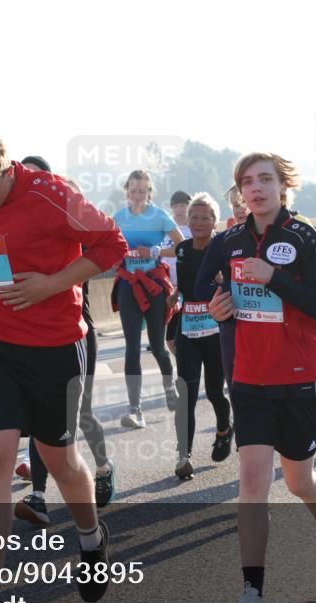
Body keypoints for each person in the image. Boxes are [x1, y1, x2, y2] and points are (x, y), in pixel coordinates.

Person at [0, 131, 126, 603]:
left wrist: (53, 283)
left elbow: (112, 245)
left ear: (6, 172)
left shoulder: (51, 194)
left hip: (54, 348)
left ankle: (90, 538)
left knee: (60, 461)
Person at [196, 152, 316, 603]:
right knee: (252, 485)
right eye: (248, 181)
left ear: (283, 187)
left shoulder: (302, 236)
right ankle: (252, 596)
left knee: (300, 480)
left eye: (265, 179)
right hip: (250, 379)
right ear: (240, 191)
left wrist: (275, 278)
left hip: (302, 377)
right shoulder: (229, 242)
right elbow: (208, 292)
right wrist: (219, 308)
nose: (257, 188)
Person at [13, 156, 116, 523]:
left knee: (82, 414)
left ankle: (102, 467)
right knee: (41, 417)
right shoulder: (22, 230)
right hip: (32, 337)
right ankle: (38, 496)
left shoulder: (76, 233)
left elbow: (108, 248)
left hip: (76, 334)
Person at [111, 170, 183, 429]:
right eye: (133, 191)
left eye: (142, 191)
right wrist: (116, 256)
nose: (138, 195)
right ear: (126, 192)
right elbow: (107, 246)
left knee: (157, 346)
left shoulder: (159, 216)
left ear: (149, 192)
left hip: (153, 286)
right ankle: (135, 409)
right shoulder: (118, 218)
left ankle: (170, 387)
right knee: (131, 347)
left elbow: (182, 246)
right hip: (128, 285)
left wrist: (155, 251)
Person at [168, 192, 232, 479]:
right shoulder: (182, 249)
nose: (198, 222)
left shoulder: (222, 250)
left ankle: (224, 429)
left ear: (215, 222)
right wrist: (176, 295)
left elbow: (232, 285)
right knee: (187, 394)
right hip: (188, 330)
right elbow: (186, 284)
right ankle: (184, 454)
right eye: (194, 217)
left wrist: (221, 283)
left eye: (205, 218)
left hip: (216, 332)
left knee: (215, 391)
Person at [164, 190, 192, 355]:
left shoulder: (194, 228)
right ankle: (182, 363)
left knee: (188, 333)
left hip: (188, 286)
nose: (179, 209)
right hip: (170, 286)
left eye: (183, 205)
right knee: (170, 338)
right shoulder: (166, 228)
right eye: (176, 206)